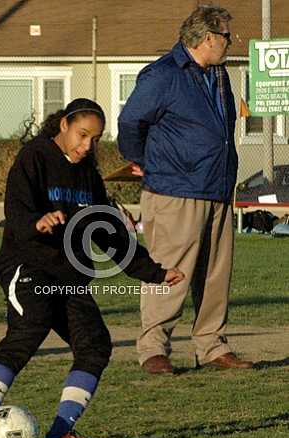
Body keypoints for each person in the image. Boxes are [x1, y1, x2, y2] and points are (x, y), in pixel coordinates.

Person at [0, 98, 184, 438]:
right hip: (26, 264)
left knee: (95, 345)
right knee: (32, 324)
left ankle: (60, 436)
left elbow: (109, 234)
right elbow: (15, 207)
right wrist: (36, 222)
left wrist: (154, 272)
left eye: (95, 139)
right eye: (82, 135)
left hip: (68, 275)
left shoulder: (88, 176)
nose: (87, 146)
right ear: (63, 124)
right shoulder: (35, 156)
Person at [118, 6, 254, 375]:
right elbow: (130, 122)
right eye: (227, 36)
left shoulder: (221, 76)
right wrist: (141, 159)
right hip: (174, 190)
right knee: (169, 270)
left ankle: (212, 346)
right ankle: (154, 349)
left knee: (215, 274)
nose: (230, 43)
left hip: (217, 188)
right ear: (208, 38)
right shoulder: (163, 75)